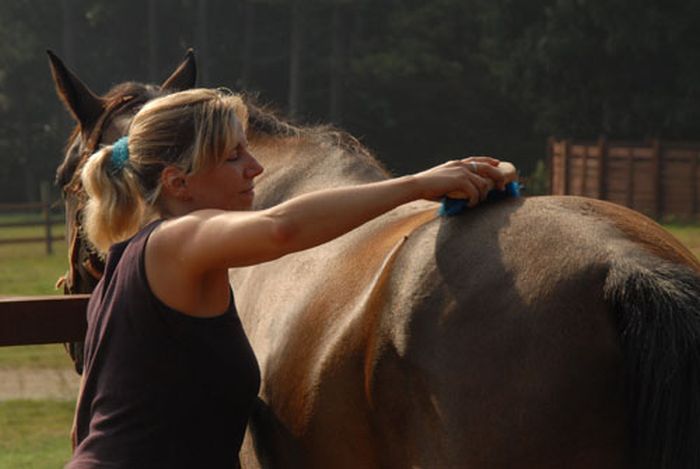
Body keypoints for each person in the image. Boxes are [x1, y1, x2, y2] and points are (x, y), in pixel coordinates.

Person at [67, 88, 517, 468]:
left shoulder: (124, 267)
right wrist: (419, 185)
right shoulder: (175, 242)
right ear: (177, 183)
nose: (255, 168)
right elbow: (282, 228)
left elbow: (81, 428)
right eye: (232, 156)